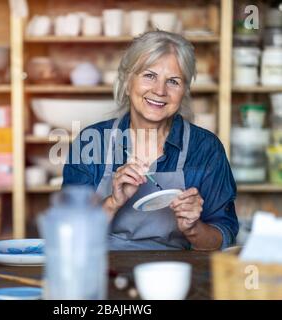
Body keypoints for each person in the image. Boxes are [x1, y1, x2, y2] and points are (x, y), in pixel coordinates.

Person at [62, 31, 238, 250]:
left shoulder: (205, 148)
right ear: (127, 82)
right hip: (102, 269)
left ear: (184, 91)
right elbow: (69, 234)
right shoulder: (91, 142)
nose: (160, 90)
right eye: (149, 75)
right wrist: (113, 202)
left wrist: (194, 229)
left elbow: (224, 236)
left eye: (173, 81)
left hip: (175, 272)